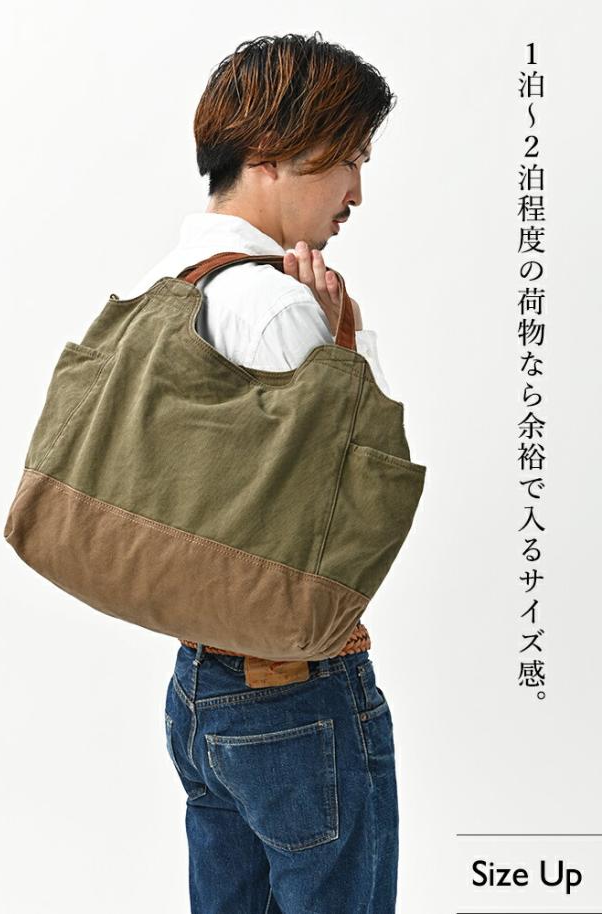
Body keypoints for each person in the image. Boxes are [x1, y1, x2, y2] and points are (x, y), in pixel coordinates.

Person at [124, 32, 401, 914]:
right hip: (295, 698)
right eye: (349, 157)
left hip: (198, 686)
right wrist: (340, 348)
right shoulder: (278, 304)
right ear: (274, 151)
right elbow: (352, 512)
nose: (357, 191)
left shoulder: (165, 284)